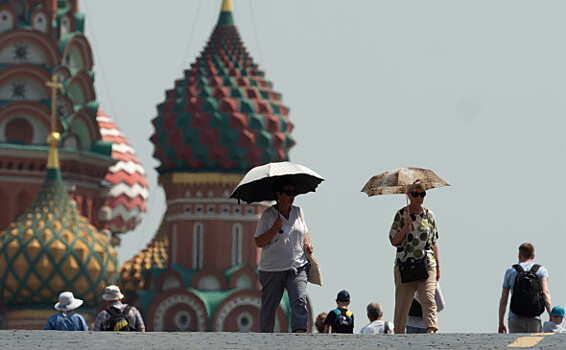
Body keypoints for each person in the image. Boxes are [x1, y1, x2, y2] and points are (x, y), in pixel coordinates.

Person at [255, 179, 313, 333]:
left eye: (293, 193)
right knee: (270, 306)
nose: (291, 196)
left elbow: (304, 232)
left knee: (299, 300)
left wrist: (307, 244)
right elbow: (259, 241)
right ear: (278, 194)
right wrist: (274, 228)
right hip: (273, 268)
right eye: (288, 193)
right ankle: (265, 338)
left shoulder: (298, 212)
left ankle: (299, 335)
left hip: (297, 266)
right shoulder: (268, 215)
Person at [389, 182, 439, 334]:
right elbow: (394, 240)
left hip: (426, 263)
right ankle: (399, 335)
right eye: (415, 194)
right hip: (406, 265)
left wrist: (438, 265)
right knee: (402, 305)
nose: (419, 198)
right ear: (408, 195)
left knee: (429, 299)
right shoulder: (401, 214)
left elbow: (434, 241)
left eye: (422, 194)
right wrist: (405, 226)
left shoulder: (429, 215)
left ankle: (431, 331)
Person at [498, 243, 551, 333]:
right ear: (533, 256)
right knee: (533, 345)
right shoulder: (541, 270)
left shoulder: (511, 271)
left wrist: (501, 322)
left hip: (515, 316)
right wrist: (551, 315)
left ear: (519, 255)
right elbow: (545, 293)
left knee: (515, 345)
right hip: (534, 317)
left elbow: (504, 300)